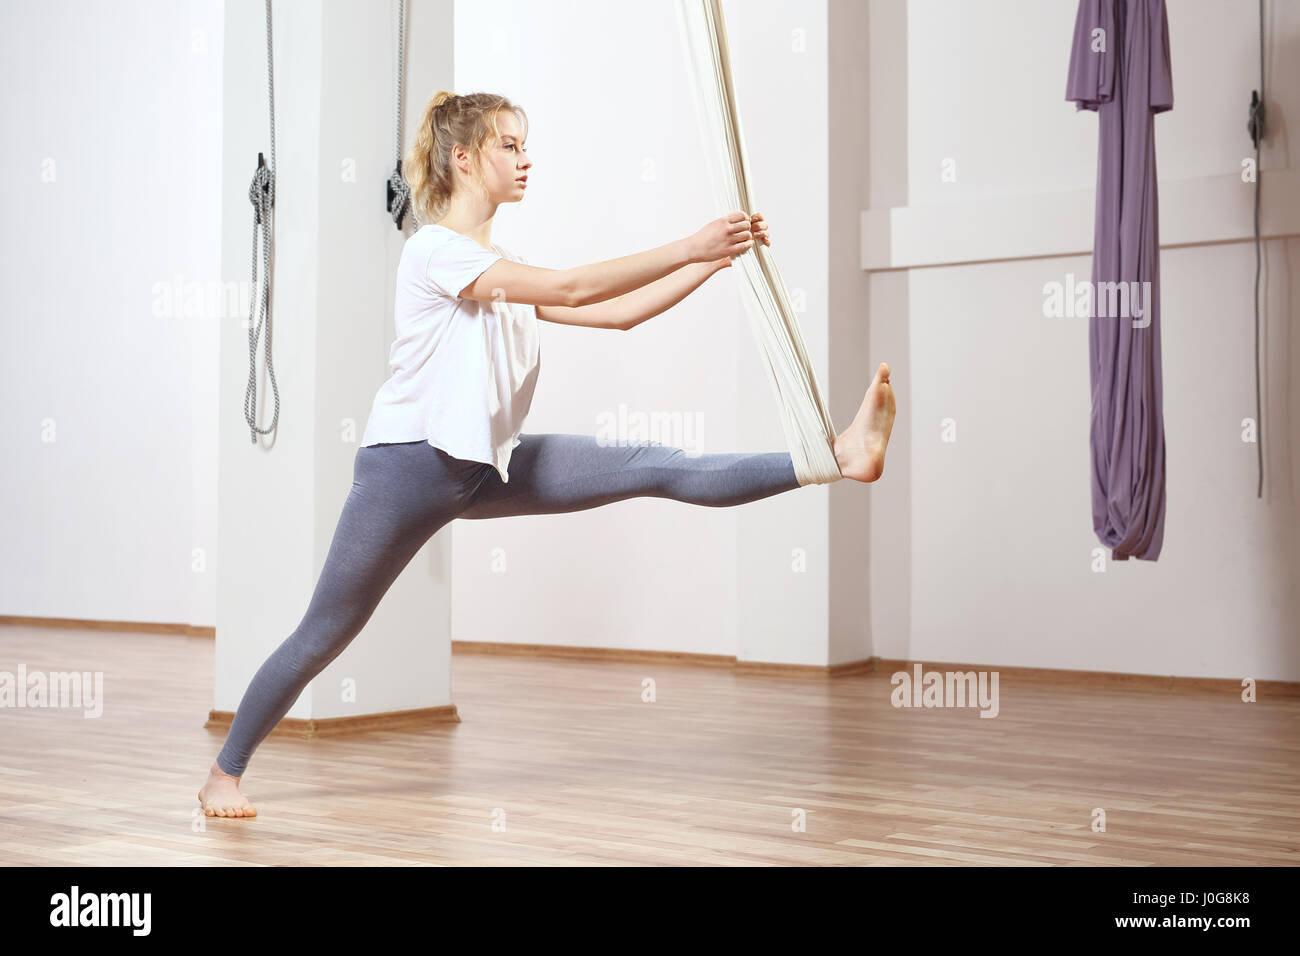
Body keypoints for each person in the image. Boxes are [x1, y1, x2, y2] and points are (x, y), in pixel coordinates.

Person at [199, 90, 895, 817]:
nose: (525, 159)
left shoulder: (505, 263)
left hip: (485, 468)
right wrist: (689, 244)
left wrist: (717, 262)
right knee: (326, 631)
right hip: (407, 469)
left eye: (524, 145)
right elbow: (571, 285)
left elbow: (616, 314)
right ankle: (224, 774)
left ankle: (835, 457)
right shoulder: (435, 250)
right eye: (508, 145)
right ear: (463, 158)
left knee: (653, 463)